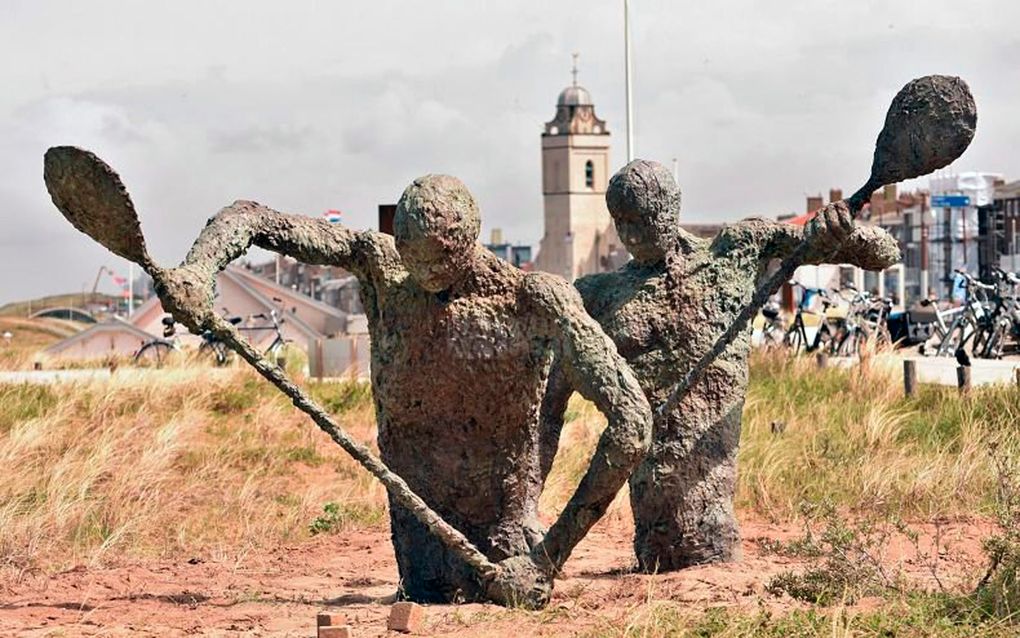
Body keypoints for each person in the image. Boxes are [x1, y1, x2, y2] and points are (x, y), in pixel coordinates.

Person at [541, 160, 900, 572]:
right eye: (622, 222)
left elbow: (884, 252)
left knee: (705, 548)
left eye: (644, 219)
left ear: (671, 209)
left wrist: (840, 232)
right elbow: (544, 406)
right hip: (651, 532)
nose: (633, 234)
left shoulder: (734, 253)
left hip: (714, 530)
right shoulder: (601, 295)